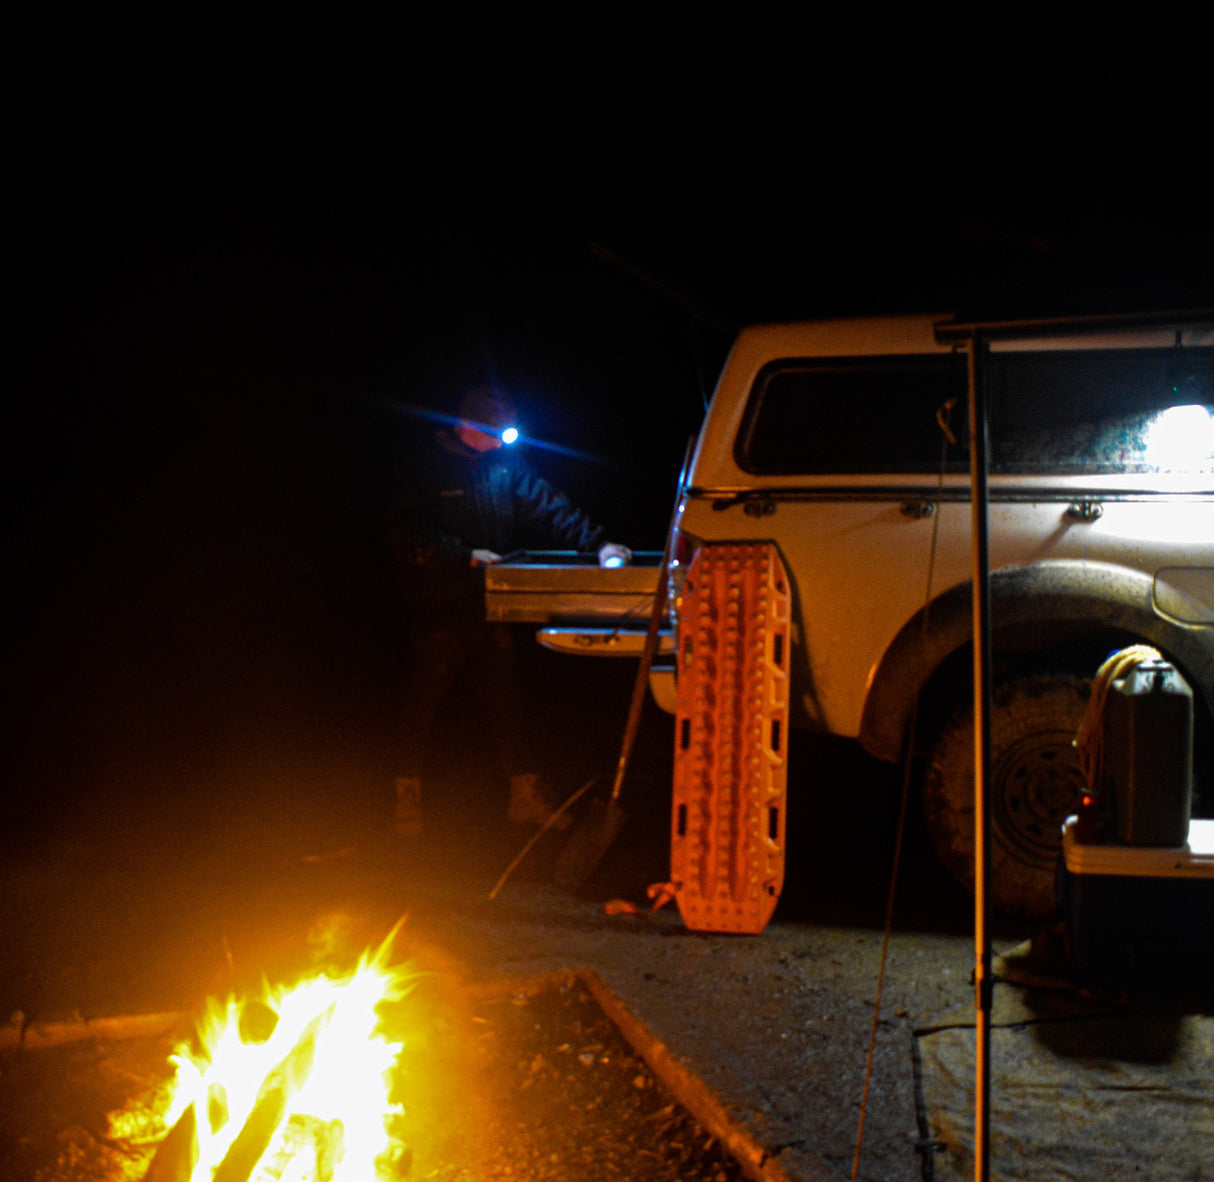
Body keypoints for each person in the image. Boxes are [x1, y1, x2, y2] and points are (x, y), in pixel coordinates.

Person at [387, 385, 631, 837]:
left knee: (505, 699)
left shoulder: (504, 462)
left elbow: (549, 504)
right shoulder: (427, 465)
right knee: (423, 700)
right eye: (494, 433)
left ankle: (524, 795)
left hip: (491, 600)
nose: (501, 442)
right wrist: (464, 555)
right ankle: (404, 797)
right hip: (441, 602)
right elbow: (407, 533)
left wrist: (599, 544)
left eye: (505, 434)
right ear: (467, 426)